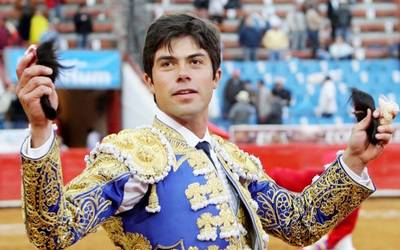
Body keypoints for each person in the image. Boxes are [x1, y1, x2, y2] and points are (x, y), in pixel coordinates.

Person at [16, 13, 396, 249]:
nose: (182, 72)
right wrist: (40, 129)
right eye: (168, 64)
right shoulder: (130, 156)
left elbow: (300, 223)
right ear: (149, 80)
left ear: (215, 77)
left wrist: (353, 160)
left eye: (195, 61)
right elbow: (53, 231)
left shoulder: (235, 162)